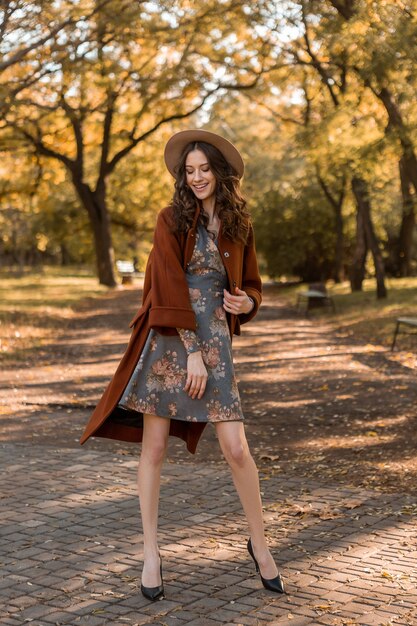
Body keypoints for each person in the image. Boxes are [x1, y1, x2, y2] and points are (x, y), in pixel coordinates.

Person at [80, 129, 285, 601]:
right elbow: (167, 283)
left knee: (236, 448)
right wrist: (191, 349)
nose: (196, 178)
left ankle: (260, 542)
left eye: (204, 169)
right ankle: (151, 552)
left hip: (217, 341)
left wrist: (244, 302)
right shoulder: (170, 218)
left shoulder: (239, 222)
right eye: (189, 171)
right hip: (172, 339)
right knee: (153, 449)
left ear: (220, 171)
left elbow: (253, 283)